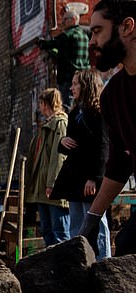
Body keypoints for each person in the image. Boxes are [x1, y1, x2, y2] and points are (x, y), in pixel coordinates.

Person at [80, 0, 136, 256]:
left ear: (127, 27)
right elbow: (119, 163)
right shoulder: (113, 95)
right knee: (128, 244)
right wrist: (92, 218)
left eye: (97, 31)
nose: (92, 41)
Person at [50, 69, 111, 260]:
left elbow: (103, 147)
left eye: (76, 83)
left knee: (97, 222)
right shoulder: (76, 111)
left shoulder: (99, 112)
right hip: (75, 178)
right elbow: (74, 144)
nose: (72, 87)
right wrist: (62, 143)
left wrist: (95, 178)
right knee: (76, 224)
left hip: (90, 178)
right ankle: (81, 262)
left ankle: (104, 263)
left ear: (86, 85)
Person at [25, 88, 70, 246]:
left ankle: (65, 268)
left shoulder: (60, 124)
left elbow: (59, 157)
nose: (40, 107)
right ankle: (52, 267)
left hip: (53, 189)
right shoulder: (47, 126)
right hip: (43, 188)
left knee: (60, 233)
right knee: (47, 230)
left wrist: (53, 183)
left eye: (41, 103)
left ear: (45, 104)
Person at [38, 10, 91, 109]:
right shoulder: (85, 35)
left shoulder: (67, 35)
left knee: (68, 107)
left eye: (65, 20)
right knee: (84, 105)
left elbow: (51, 44)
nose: (62, 23)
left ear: (73, 20)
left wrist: (41, 43)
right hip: (85, 77)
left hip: (68, 78)